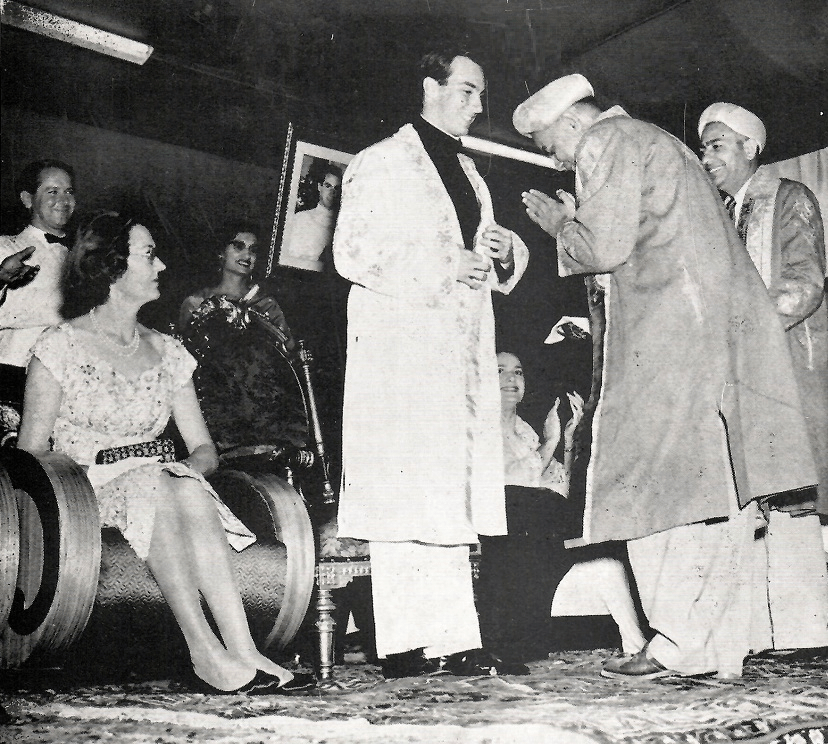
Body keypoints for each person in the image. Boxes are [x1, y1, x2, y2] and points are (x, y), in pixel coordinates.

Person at [513, 74, 827, 679]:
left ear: (575, 122)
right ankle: (713, 650)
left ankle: (676, 645)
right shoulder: (664, 143)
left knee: (644, 487)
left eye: (550, 142)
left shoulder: (608, 142)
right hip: (706, 346)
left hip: (667, 346)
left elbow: (603, 248)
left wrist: (561, 226)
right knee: (712, 499)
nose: (551, 156)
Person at [17, 211, 315, 694]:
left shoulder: (169, 350)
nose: (162, 266)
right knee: (161, 483)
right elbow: (31, 456)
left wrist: (184, 467)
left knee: (180, 482)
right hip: (83, 495)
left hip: (163, 483)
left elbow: (203, 449)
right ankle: (203, 648)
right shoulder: (59, 347)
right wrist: (97, 476)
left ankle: (242, 647)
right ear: (111, 268)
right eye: (149, 255)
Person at [333, 47, 530, 679]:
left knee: (447, 498)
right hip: (402, 358)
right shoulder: (380, 163)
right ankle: (404, 643)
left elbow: (482, 264)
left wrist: (505, 251)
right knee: (407, 497)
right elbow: (353, 252)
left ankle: (451, 636)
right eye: (468, 91)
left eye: (481, 93)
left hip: (457, 356)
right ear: (430, 87)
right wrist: (447, 267)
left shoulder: (470, 174)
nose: (479, 105)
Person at [699, 103, 827, 520]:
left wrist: (741, 328)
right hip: (740, 370)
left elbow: (805, 284)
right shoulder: (716, 214)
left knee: (797, 505)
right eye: (703, 150)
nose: (705, 159)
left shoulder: (790, 197)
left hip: (789, 360)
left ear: (750, 147)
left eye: (716, 146)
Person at [477, 351, 647, 661]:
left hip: (544, 547)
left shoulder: (526, 431)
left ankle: (640, 653)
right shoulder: (478, 432)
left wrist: (567, 441)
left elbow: (558, 489)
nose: (511, 378)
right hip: (510, 558)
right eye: (500, 371)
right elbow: (512, 483)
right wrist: (551, 441)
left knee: (611, 565)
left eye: (518, 371)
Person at [178, 226, 304, 455]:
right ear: (221, 252)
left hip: (262, 413)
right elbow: (182, 361)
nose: (246, 255)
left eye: (253, 250)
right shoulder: (195, 303)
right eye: (238, 246)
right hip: (214, 412)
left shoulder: (266, 305)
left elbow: (289, 356)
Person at [1, 160, 76, 416]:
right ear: (27, 199)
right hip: (14, 378)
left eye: (69, 191)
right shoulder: (6, 247)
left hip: (71, 382)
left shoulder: (83, 258)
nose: (63, 199)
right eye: (52, 191)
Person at [282, 164, 343, 272]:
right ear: (319, 186)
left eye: (336, 188)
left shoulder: (342, 226)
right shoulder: (300, 218)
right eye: (328, 186)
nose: (332, 192)